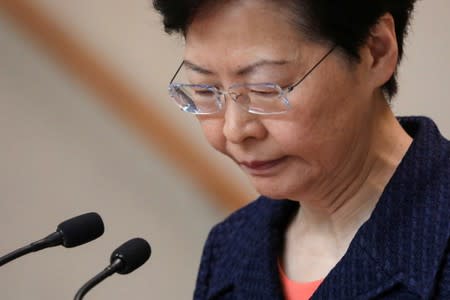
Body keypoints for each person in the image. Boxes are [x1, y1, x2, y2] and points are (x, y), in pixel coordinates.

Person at [153, 0, 450, 299]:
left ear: (376, 51)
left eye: (264, 89)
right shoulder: (229, 249)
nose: (234, 130)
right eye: (205, 90)